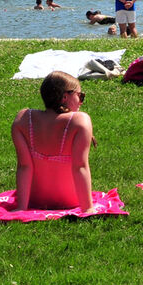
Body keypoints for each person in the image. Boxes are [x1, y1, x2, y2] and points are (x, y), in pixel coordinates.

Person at [10, 71, 96, 212]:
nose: (81, 101)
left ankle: (22, 206)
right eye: (80, 96)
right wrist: (88, 209)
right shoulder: (80, 121)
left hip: (34, 200)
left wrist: (21, 208)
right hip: (70, 201)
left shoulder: (24, 119)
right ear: (64, 97)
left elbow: (24, 167)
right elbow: (80, 166)